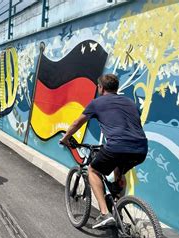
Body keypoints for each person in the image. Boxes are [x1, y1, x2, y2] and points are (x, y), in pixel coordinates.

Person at [59, 74, 148, 229]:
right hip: (140, 148)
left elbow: (77, 123)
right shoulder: (130, 103)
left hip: (117, 145)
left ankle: (105, 213)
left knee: (93, 170)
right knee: (119, 171)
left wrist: (66, 138)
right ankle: (118, 209)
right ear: (116, 88)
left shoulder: (97, 103)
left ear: (100, 88)